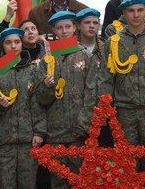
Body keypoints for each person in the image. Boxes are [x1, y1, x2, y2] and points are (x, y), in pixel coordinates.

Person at [99, 0, 145, 189]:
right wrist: (107, 110)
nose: (136, 15)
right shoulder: (113, 42)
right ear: (124, 13)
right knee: (126, 161)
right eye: (131, 11)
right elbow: (106, 78)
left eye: (140, 10)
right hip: (124, 111)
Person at [36, 11, 98, 189]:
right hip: (55, 131)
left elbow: (92, 93)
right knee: (58, 180)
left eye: (68, 26)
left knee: (80, 179)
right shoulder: (48, 59)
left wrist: (84, 124)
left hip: (78, 130)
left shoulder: (85, 56)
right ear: (54, 30)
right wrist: (47, 87)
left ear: (75, 28)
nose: (64, 31)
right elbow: (41, 99)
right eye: (59, 28)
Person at [0, 28, 45, 189]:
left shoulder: (33, 70)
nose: (13, 46)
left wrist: (39, 132)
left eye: (17, 42)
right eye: (8, 43)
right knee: (7, 184)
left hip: (28, 139)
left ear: (22, 44)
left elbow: (38, 103)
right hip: (4, 139)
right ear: (2, 46)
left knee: (28, 184)